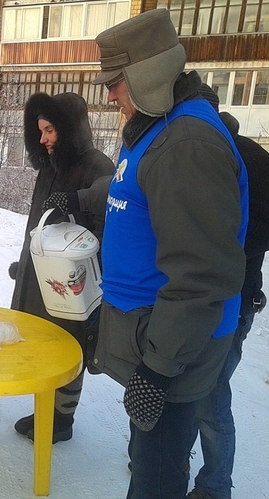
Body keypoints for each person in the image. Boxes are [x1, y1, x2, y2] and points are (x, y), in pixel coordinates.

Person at [89, 9, 249, 499]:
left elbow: (201, 275)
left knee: (156, 478)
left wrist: (157, 371)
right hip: (155, 338)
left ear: (146, 74)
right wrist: (75, 200)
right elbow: (133, 187)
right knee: (148, 461)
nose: (110, 94)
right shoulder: (157, 127)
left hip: (172, 354)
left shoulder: (187, 143)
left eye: (116, 81)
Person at [9, 92, 115, 443]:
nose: (43, 139)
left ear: (70, 129)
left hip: (72, 283)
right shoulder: (51, 166)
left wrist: (81, 277)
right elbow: (40, 226)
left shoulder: (97, 166)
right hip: (42, 274)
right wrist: (26, 265)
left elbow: (102, 231)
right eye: (39, 131)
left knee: (68, 348)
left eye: (51, 129)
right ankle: (46, 412)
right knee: (44, 345)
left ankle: (61, 420)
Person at [185, 85, 269, 499]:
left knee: (211, 397)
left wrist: (223, 244)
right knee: (181, 387)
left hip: (233, 303)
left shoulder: (251, 158)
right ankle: (171, 456)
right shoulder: (186, 153)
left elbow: (262, 232)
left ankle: (216, 485)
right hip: (188, 299)